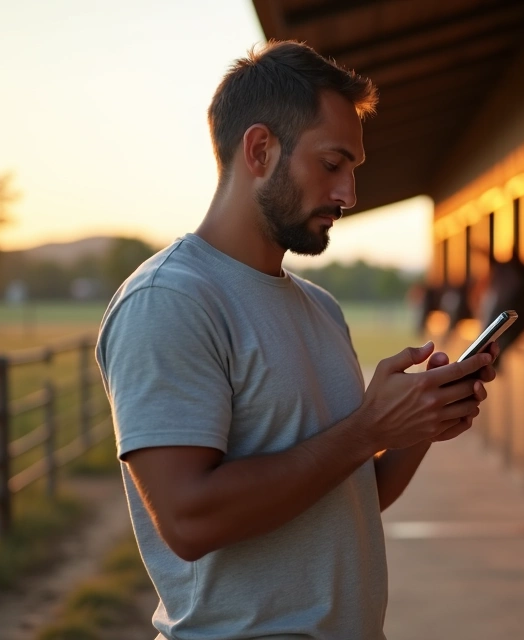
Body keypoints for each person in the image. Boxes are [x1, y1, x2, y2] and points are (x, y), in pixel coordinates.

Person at [94, 40, 498, 640]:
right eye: (332, 165)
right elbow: (188, 520)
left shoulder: (319, 307)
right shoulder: (171, 301)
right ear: (260, 150)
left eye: (353, 171)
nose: (348, 195)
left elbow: (353, 499)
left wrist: (421, 423)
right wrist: (369, 429)